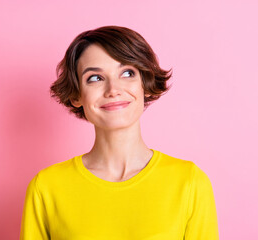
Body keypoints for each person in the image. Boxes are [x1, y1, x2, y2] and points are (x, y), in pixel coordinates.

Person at [19, 25, 219, 240]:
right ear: (77, 96)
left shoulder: (189, 182)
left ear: (146, 84)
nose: (113, 89)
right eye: (95, 78)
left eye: (127, 73)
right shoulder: (46, 188)